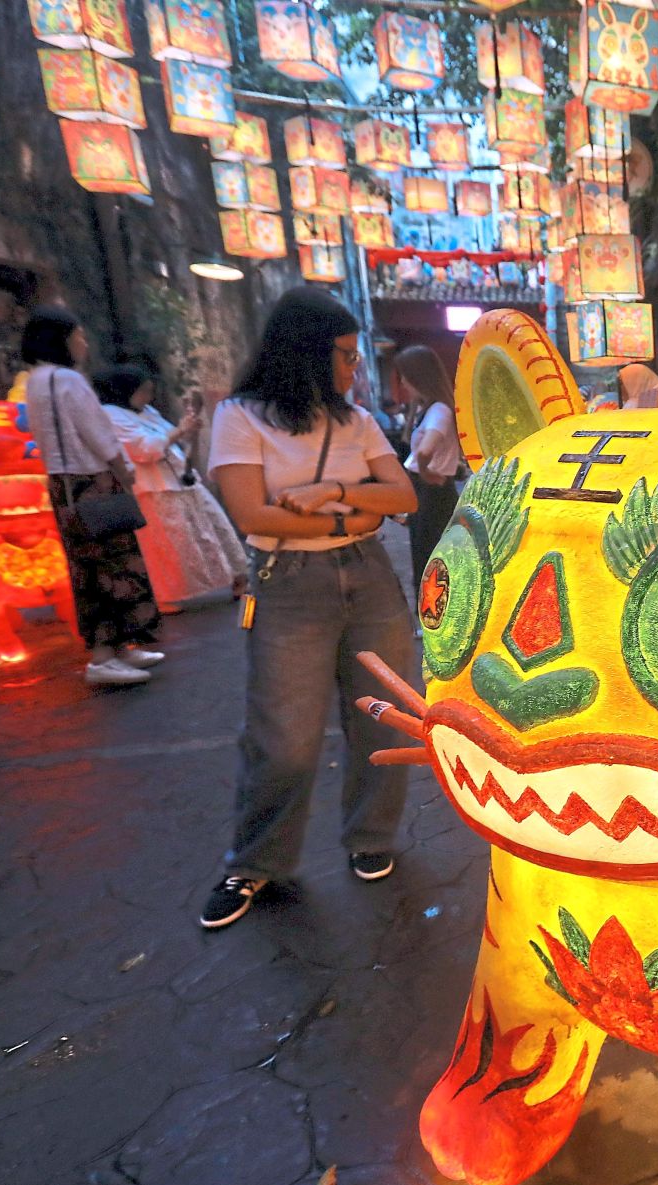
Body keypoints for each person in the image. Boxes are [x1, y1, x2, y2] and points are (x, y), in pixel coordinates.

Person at [201, 288, 418, 930]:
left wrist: (332, 493)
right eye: (346, 356)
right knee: (285, 738)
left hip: (369, 574)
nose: (355, 369)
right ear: (307, 354)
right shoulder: (241, 417)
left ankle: (372, 838)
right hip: (287, 582)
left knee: (385, 717)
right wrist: (358, 510)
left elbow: (402, 496)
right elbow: (253, 513)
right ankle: (255, 860)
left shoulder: (357, 422)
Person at [20, 306, 161, 687]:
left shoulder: (34, 380)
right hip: (92, 480)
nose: (83, 342)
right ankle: (104, 656)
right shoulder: (68, 379)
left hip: (64, 485)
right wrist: (123, 469)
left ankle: (119, 649)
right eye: (78, 335)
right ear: (61, 340)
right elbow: (97, 432)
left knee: (92, 567)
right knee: (111, 567)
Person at [93, 365, 248, 613]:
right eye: (142, 391)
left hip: (181, 479)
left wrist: (186, 431)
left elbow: (170, 439)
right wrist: (180, 430)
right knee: (171, 544)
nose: (148, 397)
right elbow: (146, 449)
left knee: (216, 529)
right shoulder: (110, 414)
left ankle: (237, 576)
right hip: (156, 487)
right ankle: (167, 595)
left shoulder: (148, 411)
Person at [393, 345, 462, 605]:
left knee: (431, 557)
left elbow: (425, 451)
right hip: (428, 489)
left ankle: (434, 616)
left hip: (431, 490)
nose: (403, 382)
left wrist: (424, 471)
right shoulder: (432, 409)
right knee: (428, 555)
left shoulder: (438, 410)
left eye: (405, 375)